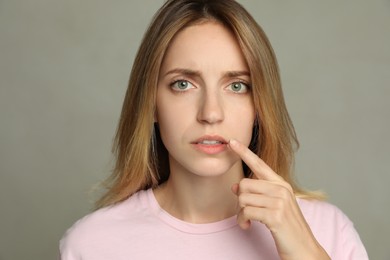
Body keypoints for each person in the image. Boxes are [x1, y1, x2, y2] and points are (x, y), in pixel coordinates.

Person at [59, 0, 368, 259]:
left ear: (260, 107)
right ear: (150, 103)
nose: (211, 113)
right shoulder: (92, 244)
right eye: (183, 84)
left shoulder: (327, 231)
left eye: (237, 86)